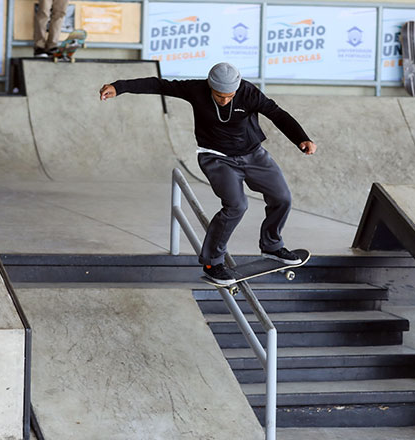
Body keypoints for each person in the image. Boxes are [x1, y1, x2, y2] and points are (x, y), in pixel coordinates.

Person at [99, 62, 317, 285]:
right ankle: (213, 262)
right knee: (236, 205)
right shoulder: (196, 90)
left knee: (282, 198)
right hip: (216, 157)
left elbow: (278, 114)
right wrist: (119, 87)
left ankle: (272, 245)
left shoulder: (249, 92)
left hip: (253, 154)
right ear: (210, 86)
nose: (224, 100)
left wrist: (301, 137)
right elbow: (159, 85)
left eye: (229, 96)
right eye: (219, 96)